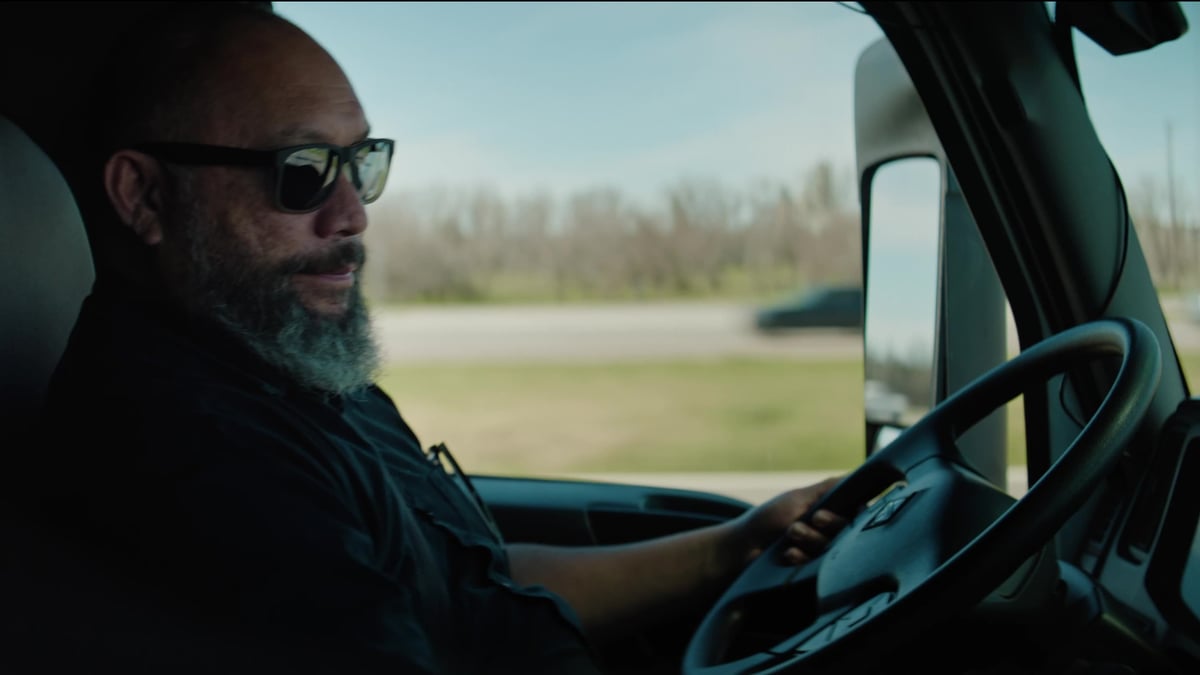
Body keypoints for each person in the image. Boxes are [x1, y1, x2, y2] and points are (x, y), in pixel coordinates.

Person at [42, 4, 847, 673]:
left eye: (361, 163)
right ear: (142, 194)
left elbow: (471, 587)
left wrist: (734, 547)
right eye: (302, 169)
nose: (352, 213)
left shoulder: (301, 375)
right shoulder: (195, 455)